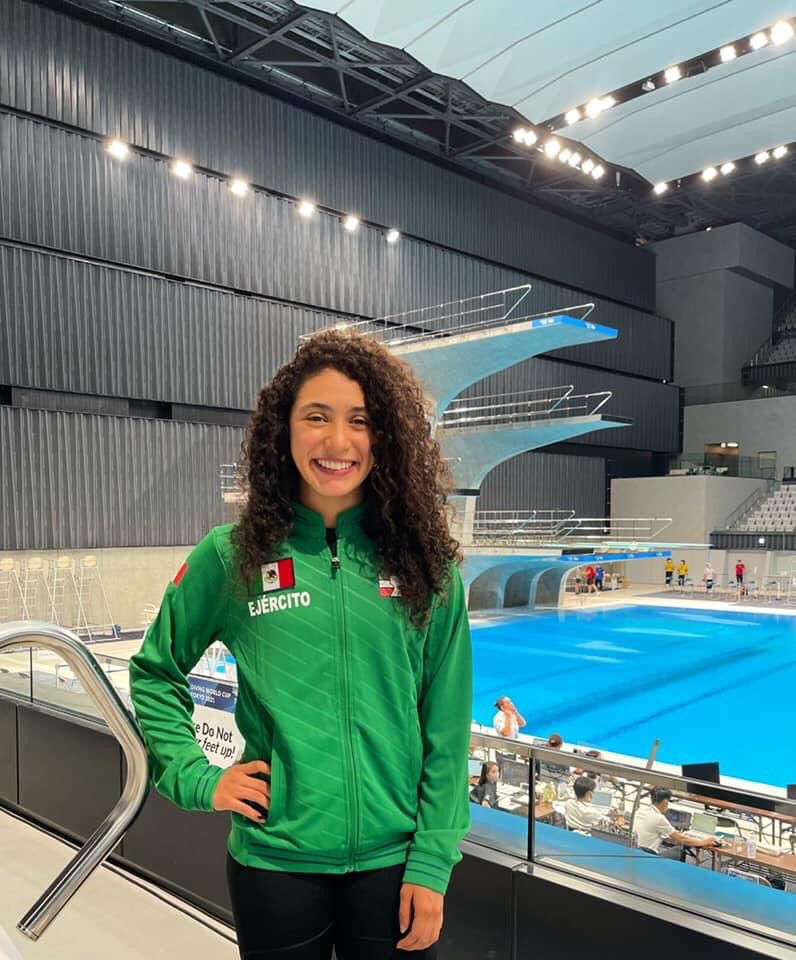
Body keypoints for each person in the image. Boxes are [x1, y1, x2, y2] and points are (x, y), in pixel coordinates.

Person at [129, 330, 473, 959]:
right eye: (316, 417)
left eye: (360, 421)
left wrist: (433, 860)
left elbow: (446, 727)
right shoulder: (232, 557)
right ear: (283, 431)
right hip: (276, 863)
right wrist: (198, 778)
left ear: (386, 437)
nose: (337, 442)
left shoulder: (427, 566)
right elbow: (156, 672)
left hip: (394, 864)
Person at [635, 788, 722, 860]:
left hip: (637, 851)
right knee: (679, 850)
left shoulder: (641, 810)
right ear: (665, 802)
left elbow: (652, 830)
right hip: (650, 855)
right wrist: (703, 842)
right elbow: (681, 839)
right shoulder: (659, 818)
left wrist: (673, 835)